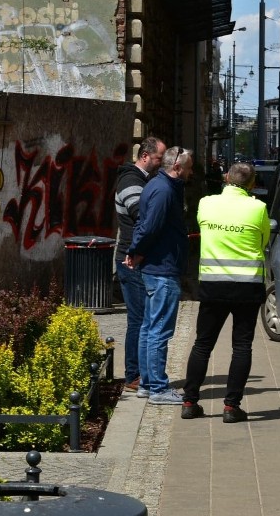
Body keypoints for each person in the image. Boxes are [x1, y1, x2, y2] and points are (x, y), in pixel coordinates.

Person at [181, 162, 270, 423]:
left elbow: (203, 229)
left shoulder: (207, 204)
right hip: (247, 287)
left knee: (202, 344)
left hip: (213, 284)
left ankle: (189, 402)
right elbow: (264, 240)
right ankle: (231, 407)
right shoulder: (258, 208)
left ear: (226, 178)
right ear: (252, 184)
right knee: (241, 347)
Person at [125, 146, 194, 405]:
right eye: (189, 167)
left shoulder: (159, 186)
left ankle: (146, 383)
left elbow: (148, 225)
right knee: (159, 330)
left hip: (159, 266)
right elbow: (149, 226)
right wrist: (136, 251)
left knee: (149, 327)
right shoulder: (164, 190)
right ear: (177, 167)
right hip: (162, 268)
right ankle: (157, 388)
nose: (191, 172)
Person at [114, 136, 167, 392]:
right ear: (145, 156)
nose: (161, 163)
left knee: (143, 318)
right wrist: (140, 251)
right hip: (130, 258)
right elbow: (141, 219)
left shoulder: (142, 180)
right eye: (158, 158)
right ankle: (132, 375)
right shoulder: (131, 181)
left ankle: (140, 373)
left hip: (135, 257)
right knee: (138, 319)